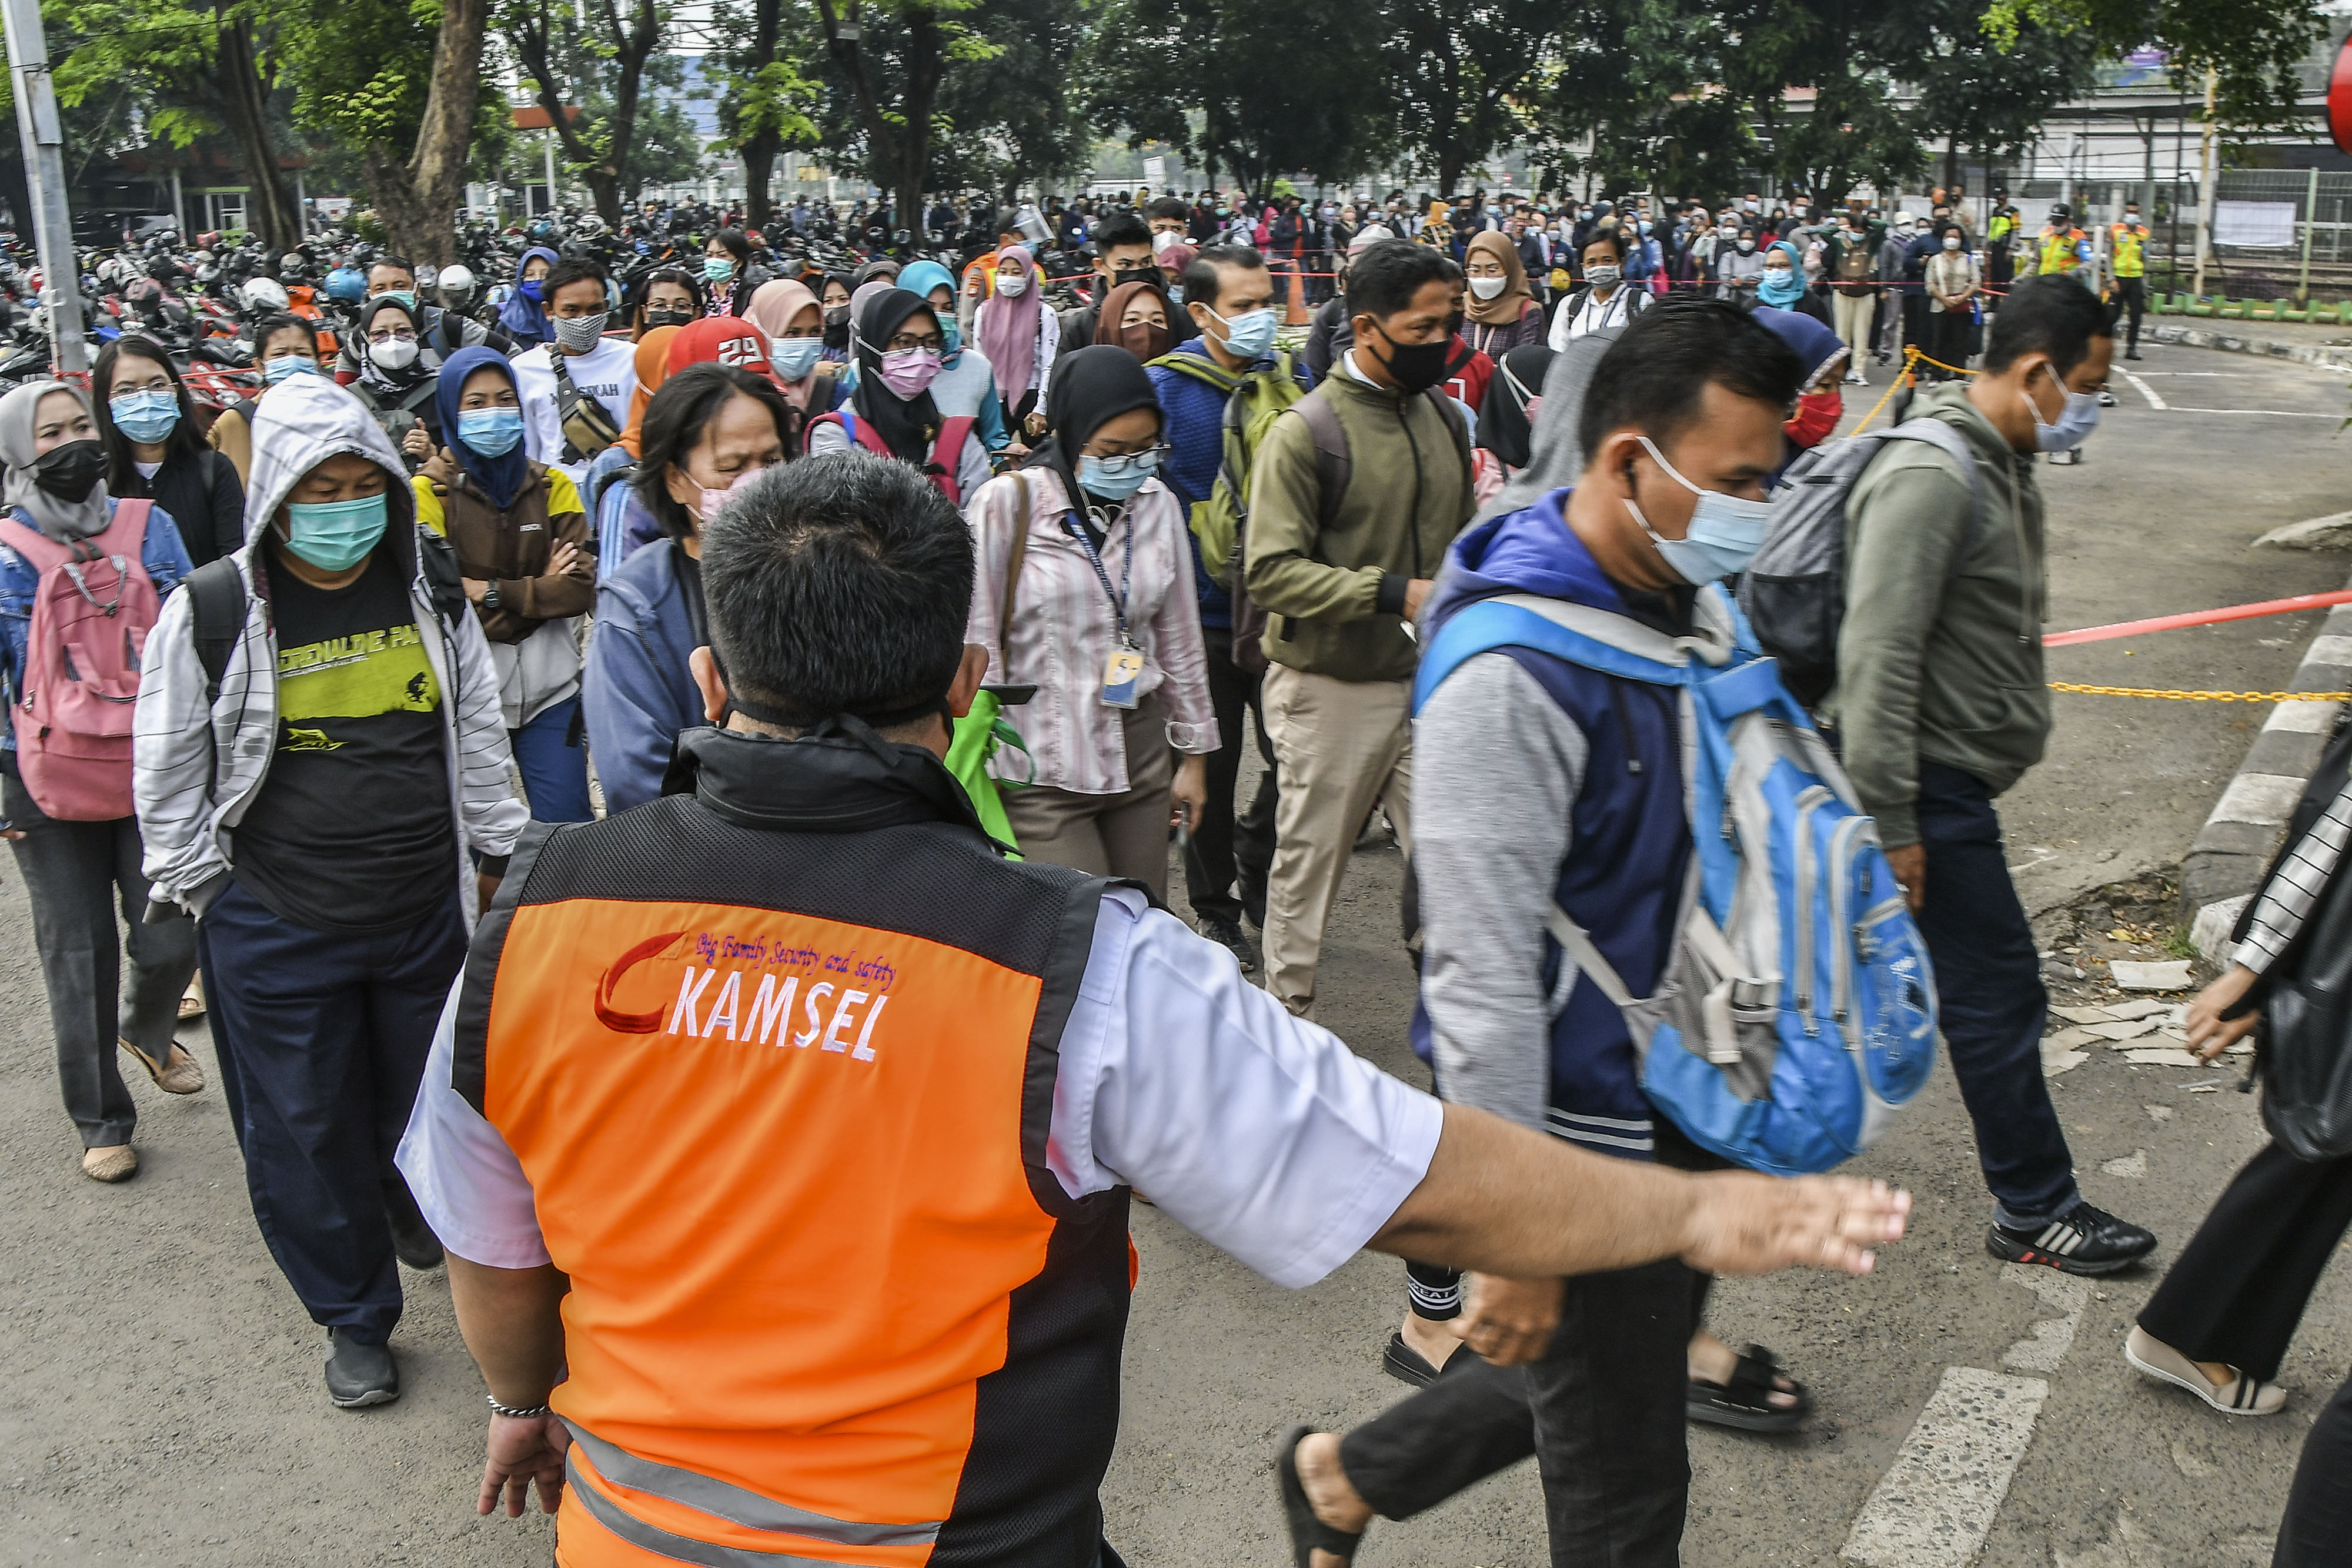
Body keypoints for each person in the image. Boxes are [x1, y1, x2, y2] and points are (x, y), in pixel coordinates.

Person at [395, 447, 1911, 1568]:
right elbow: (1411, 1176)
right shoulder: (1075, 965)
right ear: (970, 674)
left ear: (712, 680)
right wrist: (1689, 1218)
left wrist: (526, 1403)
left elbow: (496, 1255)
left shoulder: (532, 917)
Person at [1282, 298, 1807, 1568]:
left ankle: (1344, 1478)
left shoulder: (1680, 594)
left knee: (1595, 1353)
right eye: (1737, 480)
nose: (1759, 508)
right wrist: (1511, 1232)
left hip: (1683, 1086)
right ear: (1628, 461)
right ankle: (1345, 1477)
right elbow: (1478, 971)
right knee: (1624, 1478)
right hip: (1579, 1139)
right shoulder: (1514, 666)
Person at [131, 373, 525, 1407]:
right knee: (305, 1127)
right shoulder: (216, 608)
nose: (346, 507)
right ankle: (354, 1316)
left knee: (428, 1101)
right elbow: (170, 766)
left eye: (365, 484)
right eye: (320, 489)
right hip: (275, 922)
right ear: (276, 498)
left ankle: (407, 1204)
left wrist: (503, 849)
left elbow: (476, 727)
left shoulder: (424, 590)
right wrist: (204, 890)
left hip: (420, 916)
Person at [1826, 276, 2154, 1277]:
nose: (2087, 404)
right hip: (1920, 785)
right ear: (2035, 370)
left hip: (1945, 784)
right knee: (1995, 990)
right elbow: (1875, 657)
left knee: (1911, 993)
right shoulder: (1933, 475)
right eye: (2085, 384)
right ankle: (2035, 1205)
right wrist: (1892, 821)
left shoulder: (1999, 461)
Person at [1245, 239, 1474, 1019]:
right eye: (1425, 329)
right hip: (1329, 690)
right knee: (1309, 873)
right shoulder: (1305, 433)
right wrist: (1391, 592)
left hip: (1429, 688)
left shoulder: (1446, 419)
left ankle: (1463, 1026)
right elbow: (1270, 572)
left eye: (1452, 323)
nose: (1444, 343)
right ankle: (1284, 1026)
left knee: (1456, 869)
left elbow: (1463, 545)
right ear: (1367, 327)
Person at [3, 381, 201, 1183]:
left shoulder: (150, 527)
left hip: (152, 768)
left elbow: (200, 640)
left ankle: (148, 1029)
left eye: (80, 423)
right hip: (43, 781)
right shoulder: (7, 552)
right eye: (48, 433)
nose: (70, 442)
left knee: (171, 934)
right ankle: (101, 1116)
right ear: (19, 451)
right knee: (75, 951)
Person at [961, 346, 1215, 894]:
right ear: (1072, 434)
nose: (1132, 464)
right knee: (1079, 931)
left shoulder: (1158, 502)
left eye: (1148, 449)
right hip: (1041, 759)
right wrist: (994, 746)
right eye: (1113, 451)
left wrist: (1193, 756)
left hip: (1140, 751)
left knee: (1141, 917)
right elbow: (978, 637)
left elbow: (1179, 639)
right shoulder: (1007, 504)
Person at [1145, 246, 1299, 968]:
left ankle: (1259, 848)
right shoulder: (1163, 390)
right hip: (1198, 617)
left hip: (1276, 613)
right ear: (1201, 312)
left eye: (1265, 301)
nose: (1259, 318)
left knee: (1293, 761)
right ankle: (1216, 909)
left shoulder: (1287, 382)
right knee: (1207, 762)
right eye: (1242, 307)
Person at [581, 363, 797, 815]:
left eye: (772, 462)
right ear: (676, 479)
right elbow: (637, 781)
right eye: (731, 467)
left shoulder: (821, 572)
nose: (757, 483)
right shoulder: (637, 607)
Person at [413, 349, 596, 824]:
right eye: (475, 403)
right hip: (468, 703)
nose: (492, 412)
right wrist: (542, 591)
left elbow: (580, 589)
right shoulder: (426, 494)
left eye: (504, 399)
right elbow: (441, 605)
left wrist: (490, 591)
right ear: (451, 412)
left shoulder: (552, 484)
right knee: (481, 843)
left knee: (568, 827)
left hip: (552, 695)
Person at [807, 289, 993, 502]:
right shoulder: (836, 435)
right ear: (872, 347)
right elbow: (842, 517)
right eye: (905, 342)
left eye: (931, 342)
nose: (921, 354)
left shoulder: (956, 439)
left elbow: (981, 516)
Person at [93, 336, 243, 566]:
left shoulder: (214, 470)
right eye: (126, 390)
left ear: (176, 391)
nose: (145, 398)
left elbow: (234, 563)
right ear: (106, 402)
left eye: (157, 385)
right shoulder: (95, 485)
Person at [510, 257, 637, 496]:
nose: (584, 320)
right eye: (571, 310)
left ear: (607, 306)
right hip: (559, 494)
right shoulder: (524, 370)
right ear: (549, 311)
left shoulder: (634, 359)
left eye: (595, 309)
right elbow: (530, 450)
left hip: (624, 488)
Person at [891, 259, 1013, 458]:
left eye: (947, 308)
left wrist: (1007, 454)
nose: (938, 316)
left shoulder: (978, 368)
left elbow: (994, 438)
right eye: (928, 306)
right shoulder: (880, 366)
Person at [208, 313, 328, 487]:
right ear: (260, 366)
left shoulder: (338, 413)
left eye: (302, 353)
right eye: (280, 354)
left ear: (318, 363)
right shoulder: (236, 421)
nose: (292, 361)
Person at [345, 296, 444, 469]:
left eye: (403, 331)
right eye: (380, 334)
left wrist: (431, 455)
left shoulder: (443, 390)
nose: (393, 340)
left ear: (416, 335)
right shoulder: (351, 398)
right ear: (366, 340)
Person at [1305, 225, 1395, 383]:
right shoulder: (1332, 313)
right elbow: (1312, 374)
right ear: (1348, 272)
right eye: (1359, 269)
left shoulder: (1411, 314)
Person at [1550, 229, 1649, 347]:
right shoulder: (1569, 305)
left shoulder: (1641, 303)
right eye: (1592, 262)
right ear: (1583, 267)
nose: (1600, 267)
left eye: (1607, 260)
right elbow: (1558, 351)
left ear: (1621, 263)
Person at [1460, 230, 1545, 359]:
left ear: (1510, 269)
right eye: (1475, 270)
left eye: (1492, 270)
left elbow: (1526, 363)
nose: (1483, 278)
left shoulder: (1529, 311)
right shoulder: (1462, 306)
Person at [1922, 226, 1981, 382]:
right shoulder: (1936, 260)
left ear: (1961, 240)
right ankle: (1936, 376)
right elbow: (1930, 284)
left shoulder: (1969, 259)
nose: (1952, 239)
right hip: (1939, 306)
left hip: (1962, 307)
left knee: (1959, 344)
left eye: (1955, 236)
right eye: (1949, 236)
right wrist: (1944, 299)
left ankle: (1959, 376)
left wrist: (1962, 297)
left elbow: (1976, 283)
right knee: (1938, 342)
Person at [1826, 213, 1878, 384]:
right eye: (1854, 230)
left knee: (1862, 336)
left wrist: (1867, 221)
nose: (1857, 233)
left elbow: (1883, 226)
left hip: (1865, 295)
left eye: (1860, 230)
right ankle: (1842, 370)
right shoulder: (1840, 242)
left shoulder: (1871, 244)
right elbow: (1824, 233)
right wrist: (1842, 226)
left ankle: (1859, 372)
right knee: (1842, 335)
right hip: (1843, 293)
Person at [496, 246, 560, 352]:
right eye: (530, 275)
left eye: (546, 274)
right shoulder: (508, 325)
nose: (538, 279)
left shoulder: (573, 316)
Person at [1091, 279, 1172, 363]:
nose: (1146, 330)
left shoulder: (1183, 372)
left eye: (1157, 320)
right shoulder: (1085, 375)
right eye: (1133, 319)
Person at [2109, 202, 2149, 360]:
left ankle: (2131, 348)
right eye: (2129, 211)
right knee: (2113, 315)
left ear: (2139, 215)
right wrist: (2111, 278)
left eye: (2135, 212)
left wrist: (2144, 281)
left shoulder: (2144, 234)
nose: (2132, 214)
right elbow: (2109, 255)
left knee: (2136, 315)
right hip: (2118, 278)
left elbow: (2144, 256)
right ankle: (2105, 346)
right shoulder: (2115, 231)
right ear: (2125, 213)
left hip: (2135, 279)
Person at [1755, 239, 1827, 324]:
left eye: (1783, 266)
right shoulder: (1754, 305)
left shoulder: (1812, 304)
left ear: (1795, 267)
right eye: (1770, 266)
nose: (1776, 271)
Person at [703, 228, 765, 316]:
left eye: (722, 255)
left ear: (739, 262)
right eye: (709, 255)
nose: (714, 260)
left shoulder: (751, 294)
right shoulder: (704, 292)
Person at [627, 267, 703, 338]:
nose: (669, 314)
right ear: (645, 313)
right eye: (660, 305)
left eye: (681, 306)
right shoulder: (631, 352)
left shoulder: (712, 352)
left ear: (696, 314)